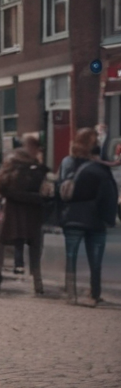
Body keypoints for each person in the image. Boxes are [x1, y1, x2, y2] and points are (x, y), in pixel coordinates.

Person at [59, 128, 119, 306]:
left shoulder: (68, 163)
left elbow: (60, 188)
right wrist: (108, 219)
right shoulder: (100, 168)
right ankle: (94, 293)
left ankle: (71, 294)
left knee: (71, 257)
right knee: (95, 260)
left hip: (72, 218)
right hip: (96, 220)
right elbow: (110, 195)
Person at [0, 143, 47, 296]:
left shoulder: (7, 173)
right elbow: (44, 194)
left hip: (10, 216)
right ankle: (37, 283)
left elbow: (0, 192)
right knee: (34, 249)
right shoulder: (37, 172)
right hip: (32, 217)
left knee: (0, 246)